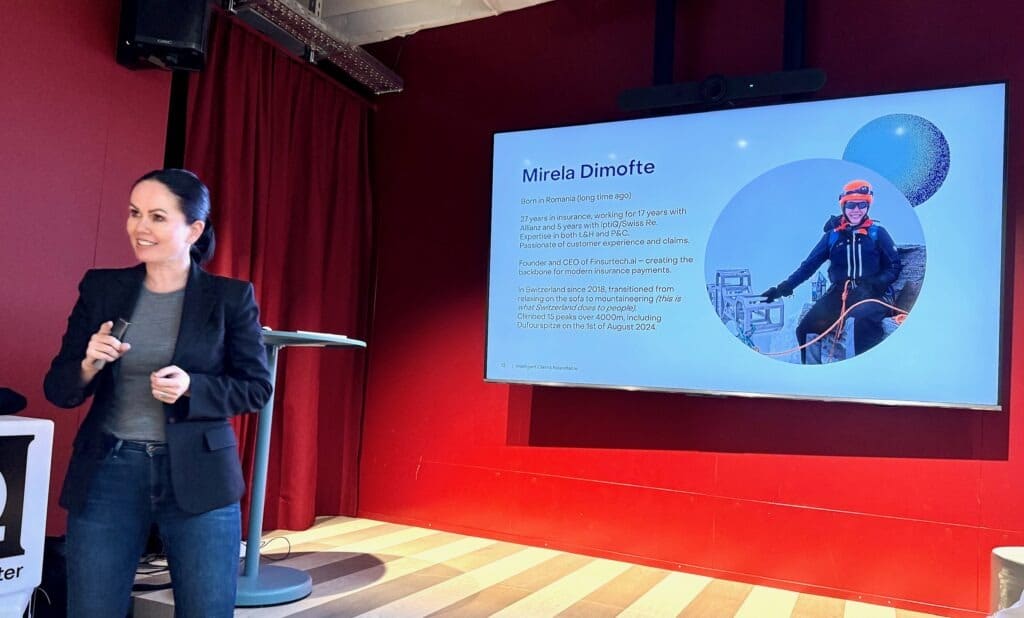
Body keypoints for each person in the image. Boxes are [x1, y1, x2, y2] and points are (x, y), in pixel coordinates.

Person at [43, 169, 273, 616]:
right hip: (108, 470)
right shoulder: (102, 288)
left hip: (200, 474)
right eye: (134, 213)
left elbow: (256, 388)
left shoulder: (229, 297)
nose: (140, 227)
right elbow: (58, 387)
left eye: (157, 216)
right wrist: (88, 363)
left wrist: (193, 387)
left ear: (194, 230)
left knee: (206, 609)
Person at [761, 179, 902, 363]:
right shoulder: (833, 236)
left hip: (874, 294)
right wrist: (782, 288)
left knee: (857, 322)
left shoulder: (877, 233)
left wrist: (874, 284)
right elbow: (809, 265)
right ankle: (812, 371)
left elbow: (894, 266)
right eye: (851, 205)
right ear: (843, 206)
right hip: (840, 294)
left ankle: (857, 372)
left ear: (868, 206)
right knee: (806, 329)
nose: (856, 210)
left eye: (862, 204)